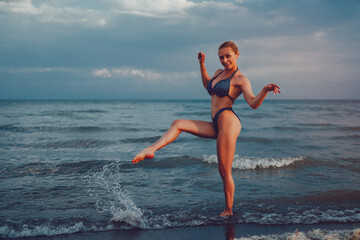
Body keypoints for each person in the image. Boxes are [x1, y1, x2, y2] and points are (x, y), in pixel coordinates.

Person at [132, 41, 281, 216]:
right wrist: (202, 64)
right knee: (178, 123)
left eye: (228, 56)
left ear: (237, 54)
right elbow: (208, 86)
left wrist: (264, 90)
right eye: (221, 57)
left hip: (228, 121)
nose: (224, 60)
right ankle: (151, 149)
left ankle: (228, 210)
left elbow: (253, 103)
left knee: (224, 171)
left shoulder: (241, 79)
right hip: (216, 122)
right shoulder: (218, 73)